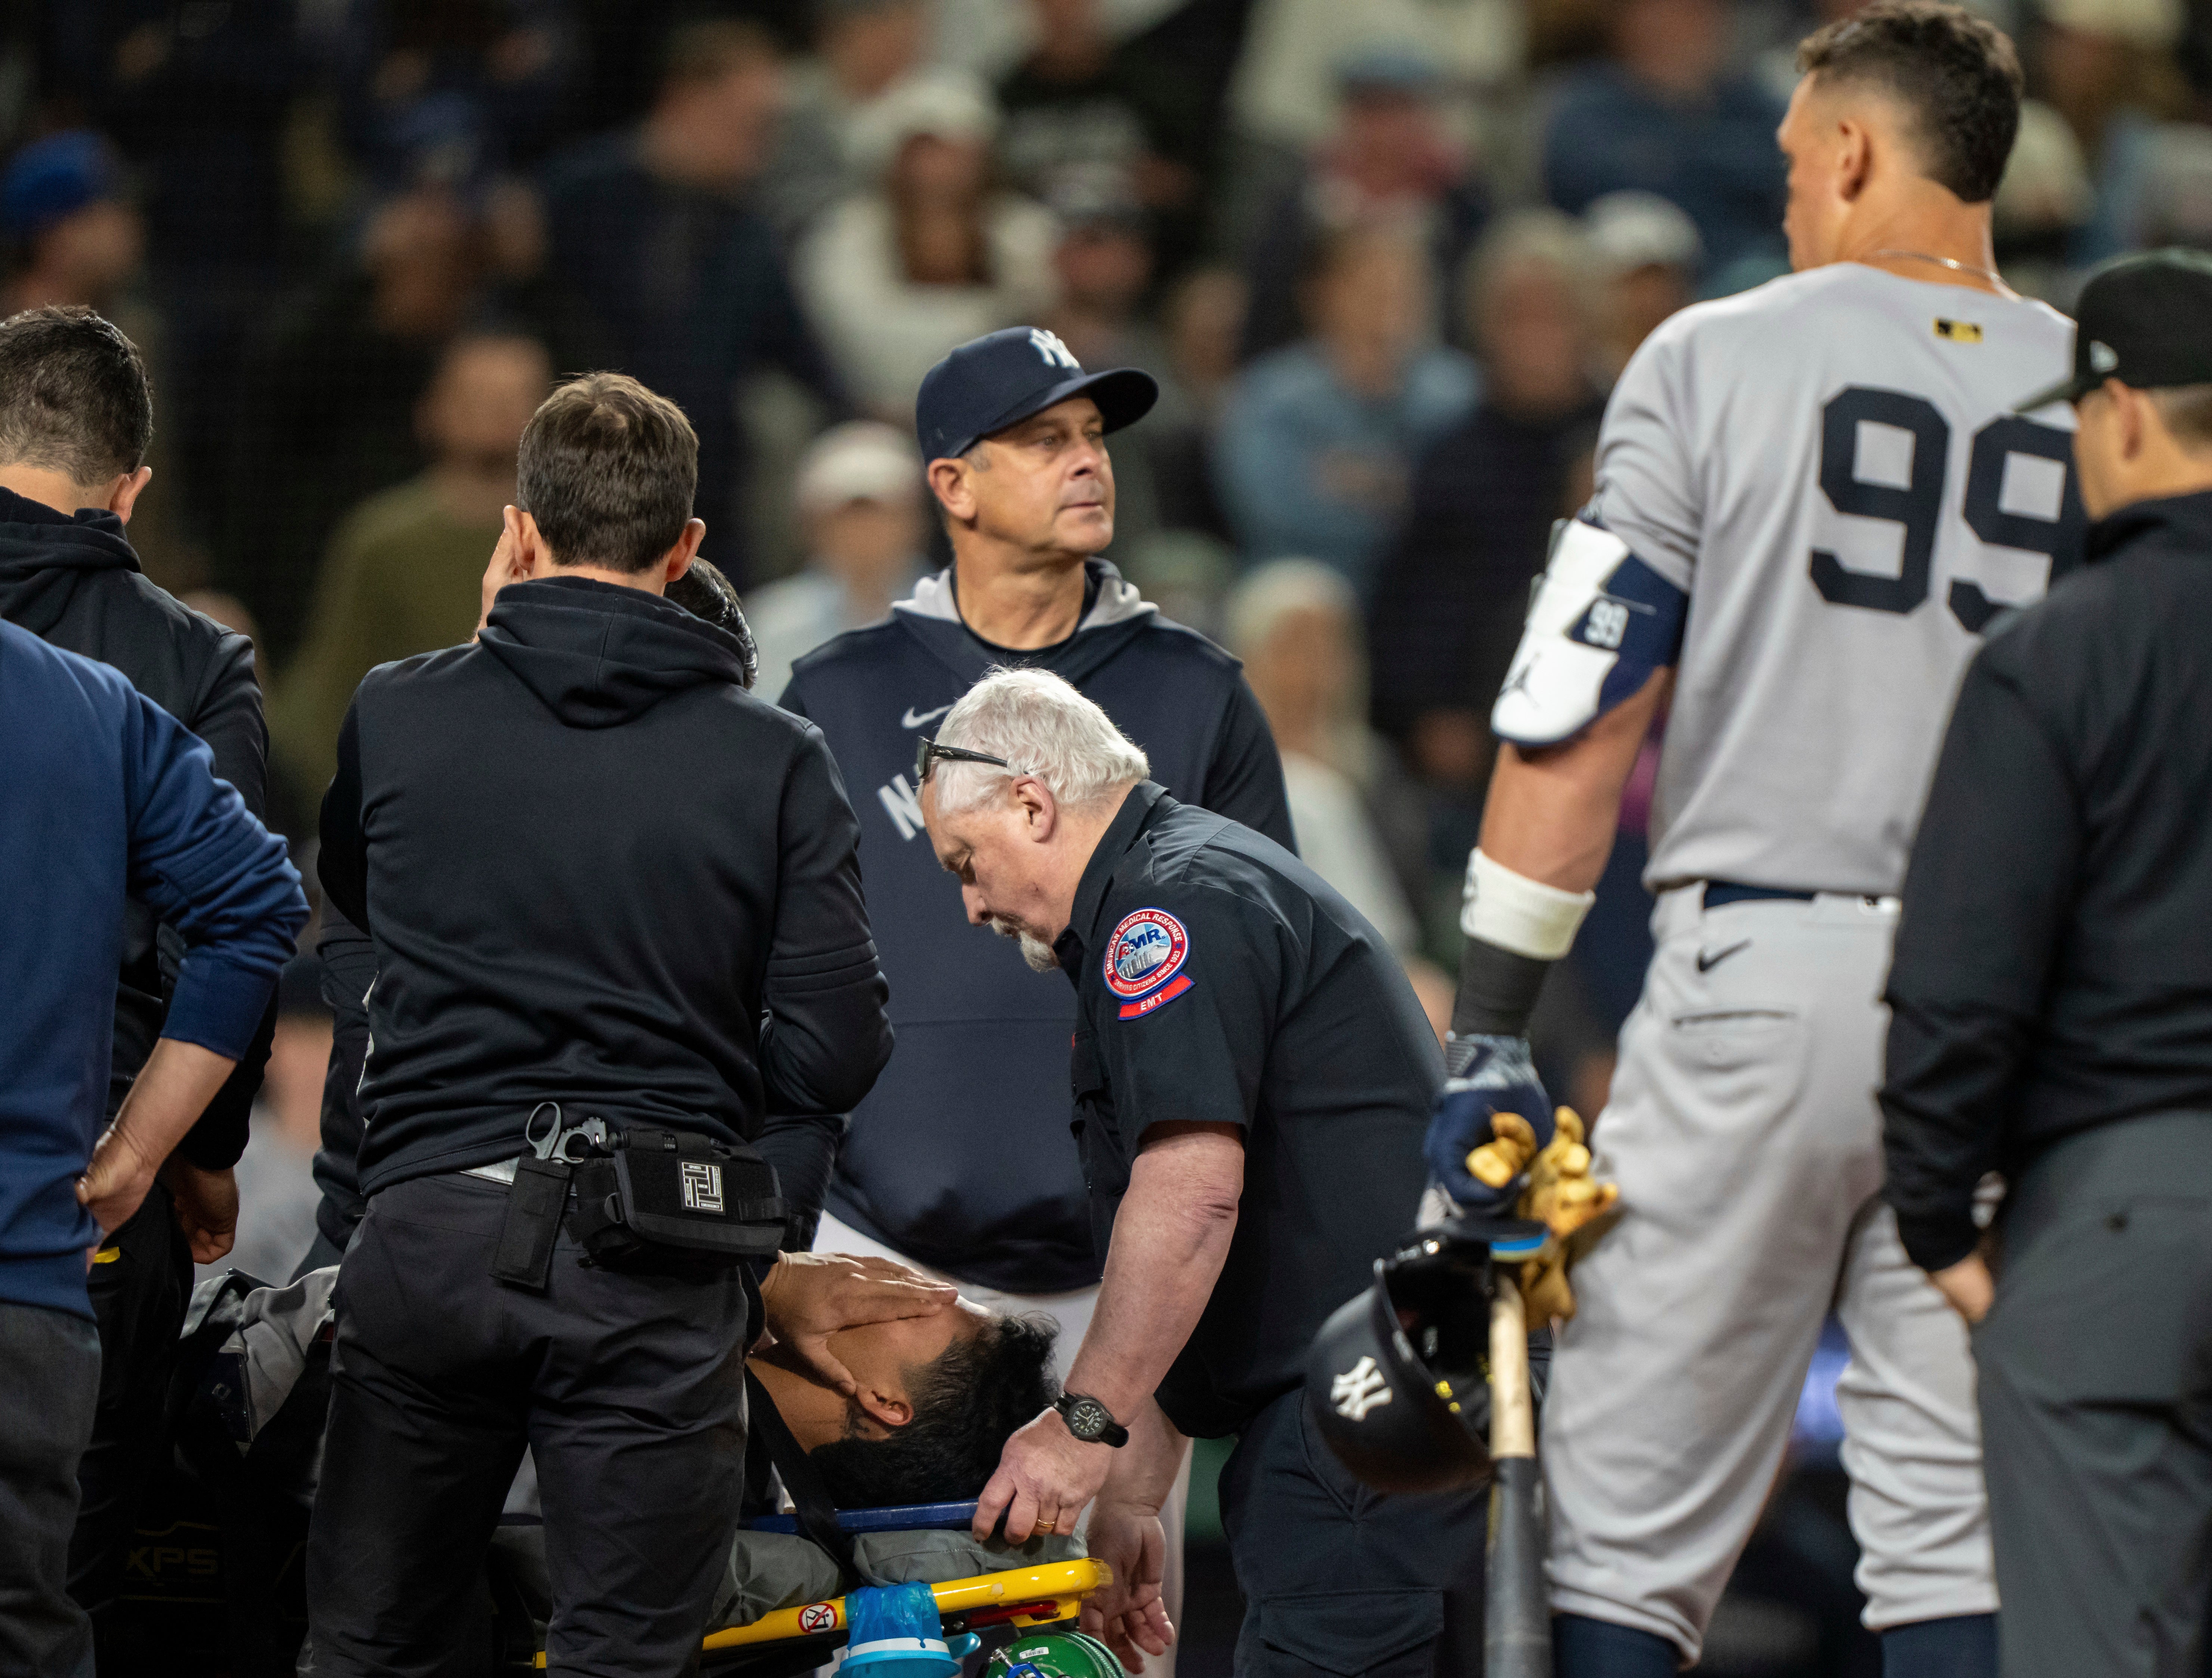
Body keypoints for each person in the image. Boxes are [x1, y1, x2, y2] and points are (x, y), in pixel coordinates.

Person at [1420, 8, 2088, 1674]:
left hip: (1760, 981)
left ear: (1854, 151)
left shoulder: (1714, 353)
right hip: (2012, 1012)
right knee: (1962, 1532)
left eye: (1797, 161)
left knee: (1624, 1532)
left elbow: (1581, 709)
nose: (1790, 193)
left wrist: (1494, 1016)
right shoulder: (2108, 395)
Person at [302, 371, 901, 1677]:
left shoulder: (396, 711)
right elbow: (837, 1045)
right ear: (685, 549)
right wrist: (695, 1067)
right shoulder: (776, 756)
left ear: (516, 532)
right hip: (652, 1254)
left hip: (426, 1239)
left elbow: (353, 930)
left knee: (368, 1649)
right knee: (625, 1656)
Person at [778, 326, 1296, 1669]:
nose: (1087, 465)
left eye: (1095, 438)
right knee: (869, 1646)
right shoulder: (832, 697)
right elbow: (766, 989)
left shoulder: (1197, 695)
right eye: (1045, 440)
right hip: (877, 1265)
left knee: (1106, 1647)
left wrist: (1156, 1398)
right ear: (952, 484)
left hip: (1120, 1285)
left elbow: (1260, 1023)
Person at [916, 668, 1480, 1675]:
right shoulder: (1189, 877)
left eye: (966, 859)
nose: (969, 903)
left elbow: (1191, 1198)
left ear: (1031, 803)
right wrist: (1133, 1491)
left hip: (1361, 1408)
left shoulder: (1164, 908)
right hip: (1373, 1399)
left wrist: (1082, 1426)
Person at [1881, 249, 2212, 1678]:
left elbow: (1964, 981)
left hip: (2122, 1214)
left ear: (2123, 412)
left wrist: (1941, 1221)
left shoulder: (2058, 653)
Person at [0, 303, 287, 1655]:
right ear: (131, 487)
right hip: (85, 1182)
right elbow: (230, 923)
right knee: (56, 1591)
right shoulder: (175, 665)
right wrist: (188, 1150)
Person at [541, 20, 845, 587]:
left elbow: (815, 372)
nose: (763, 146)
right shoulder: (578, 198)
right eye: (749, 124)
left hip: (705, 515)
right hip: (579, 498)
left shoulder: (749, 236)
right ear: (685, 99)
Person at [1367, 209, 1608, 795]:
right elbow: (1410, 603)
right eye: (1514, 316)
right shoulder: (1450, 454)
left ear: (1586, 324)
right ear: (1483, 328)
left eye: (1551, 313)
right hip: (1470, 742)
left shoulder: (1625, 440)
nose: (1533, 334)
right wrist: (1424, 712)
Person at [270, 330, 553, 801]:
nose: (499, 412)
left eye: (516, 397)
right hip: (408, 798)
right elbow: (329, 697)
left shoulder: (578, 542)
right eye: (478, 396)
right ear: (432, 409)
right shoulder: (379, 541)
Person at [1214, 224, 1477, 592]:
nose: (1391, 302)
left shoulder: (1460, 394)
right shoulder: (1270, 396)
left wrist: (1359, 485)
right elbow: (1271, 513)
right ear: (1323, 294)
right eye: (1373, 286)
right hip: (1308, 582)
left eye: (1407, 287)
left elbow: (1474, 510)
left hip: (1431, 593)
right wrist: (1404, 496)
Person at [795, 75, 1058, 419]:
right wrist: (988, 321)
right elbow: (863, 342)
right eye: (929, 152)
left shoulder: (1024, 230)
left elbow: (1044, 328)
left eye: (961, 152)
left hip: (1010, 413)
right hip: (873, 416)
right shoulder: (842, 235)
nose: (944, 169)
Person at [1541, 0, 1788, 276]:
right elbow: (1588, 190)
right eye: (1666, 9)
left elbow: (1785, 183)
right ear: (1626, 21)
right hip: (1631, 275)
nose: (1686, 23)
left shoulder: (1753, 104)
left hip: (1744, 274)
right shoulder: (1585, 107)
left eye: (1699, 9)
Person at [745, 421, 927, 702]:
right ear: (812, 526)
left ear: (916, 522)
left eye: (880, 516)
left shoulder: (964, 617)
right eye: (847, 518)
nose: (864, 533)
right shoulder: (771, 623)